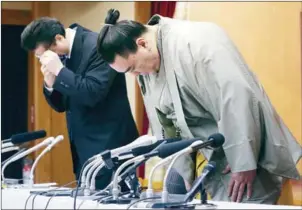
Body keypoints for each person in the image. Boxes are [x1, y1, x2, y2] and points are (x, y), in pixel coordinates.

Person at [96, 10, 302, 204]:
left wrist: (243, 161)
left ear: (142, 44)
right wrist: (183, 170)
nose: (134, 75)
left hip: (242, 151)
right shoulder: (149, 64)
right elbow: (164, 122)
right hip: (205, 157)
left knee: (249, 199)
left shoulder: (197, 41)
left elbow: (236, 97)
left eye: (132, 68)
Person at [21, 17, 139, 190]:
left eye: (45, 54)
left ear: (58, 39)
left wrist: (60, 71)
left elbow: (92, 93)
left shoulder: (98, 46)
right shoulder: (59, 54)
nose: (44, 60)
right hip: (82, 149)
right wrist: (50, 83)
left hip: (110, 145)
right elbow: (61, 105)